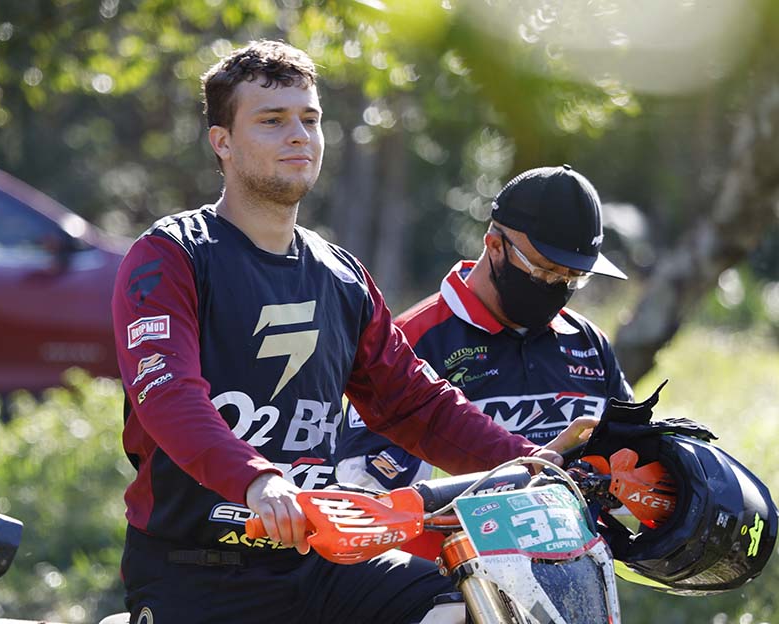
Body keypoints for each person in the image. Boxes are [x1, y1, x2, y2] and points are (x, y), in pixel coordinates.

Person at [112, 40, 593, 624]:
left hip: (323, 559)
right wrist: (259, 484)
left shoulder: (341, 276)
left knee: (469, 606)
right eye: (272, 121)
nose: (299, 135)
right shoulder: (171, 256)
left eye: (310, 120)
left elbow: (416, 405)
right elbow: (168, 397)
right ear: (223, 142)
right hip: (196, 568)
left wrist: (535, 463)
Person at [335, 164, 634, 558]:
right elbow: (365, 496)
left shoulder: (588, 342)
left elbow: (635, 462)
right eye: (545, 271)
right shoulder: (409, 344)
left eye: (574, 278)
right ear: (495, 246)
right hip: (448, 591)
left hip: (578, 580)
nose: (559, 288)